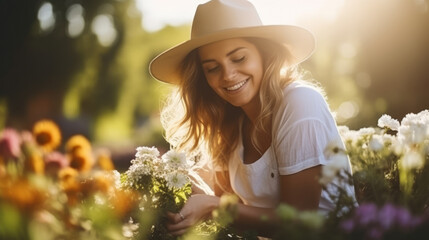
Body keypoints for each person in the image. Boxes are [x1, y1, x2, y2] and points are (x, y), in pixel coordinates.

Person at [149, 0, 356, 238]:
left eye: (238, 59)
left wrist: (211, 206)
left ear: (264, 55)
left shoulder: (300, 102)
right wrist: (196, 191)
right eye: (212, 68)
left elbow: (300, 221)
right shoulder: (229, 125)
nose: (227, 75)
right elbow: (236, 218)